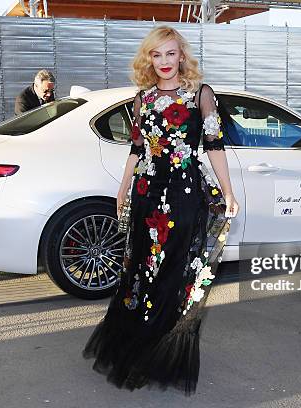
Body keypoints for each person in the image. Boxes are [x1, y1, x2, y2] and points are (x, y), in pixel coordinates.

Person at [83, 25, 239, 396]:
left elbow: (214, 144)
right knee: (139, 268)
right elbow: (136, 150)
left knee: (172, 268)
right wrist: (122, 190)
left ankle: (160, 347)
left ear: (181, 56)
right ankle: (138, 344)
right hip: (145, 192)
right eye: (157, 54)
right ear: (148, 59)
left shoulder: (201, 95)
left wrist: (228, 191)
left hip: (184, 193)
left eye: (171, 53)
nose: (165, 61)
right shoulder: (143, 99)